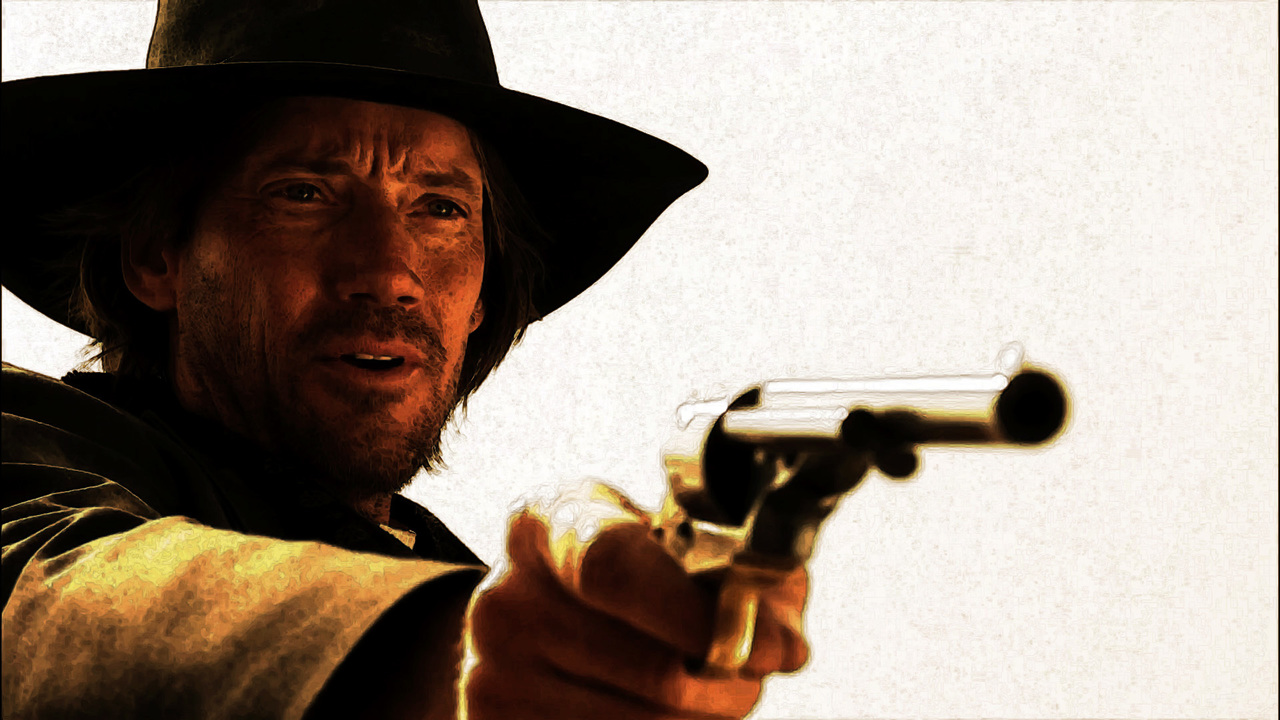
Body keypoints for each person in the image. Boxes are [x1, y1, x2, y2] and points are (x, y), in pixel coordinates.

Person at [1, 0, 810, 718]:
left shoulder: (484, 617)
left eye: (440, 208)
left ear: (485, 291)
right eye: (305, 193)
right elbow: (56, 599)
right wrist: (456, 650)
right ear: (154, 255)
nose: (390, 272)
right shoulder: (25, 451)